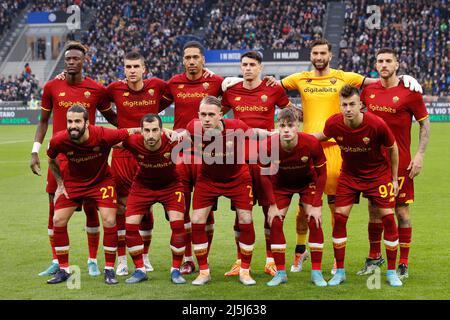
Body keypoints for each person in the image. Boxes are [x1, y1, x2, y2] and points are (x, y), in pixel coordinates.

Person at [270, 38, 422, 274]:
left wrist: (404, 79)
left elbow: (379, 78)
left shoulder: (345, 77)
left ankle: (335, 259)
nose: (319, 57)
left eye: (323, 53)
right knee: (304, 206)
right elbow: (272, 87)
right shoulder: (299, 78)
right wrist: (289, 107)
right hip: (308, 149)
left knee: (337, 208)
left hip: (338, 151)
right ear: (311, 56)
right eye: (315, 53)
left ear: (330, 55)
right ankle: (301, 251)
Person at [30, 41, 118, 278]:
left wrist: (138, 131)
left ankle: (92, 260)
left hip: (86, 158)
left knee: (91, 208)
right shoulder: (51, 86)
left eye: (75, 59)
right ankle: (57, 261)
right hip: (58, 159)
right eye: (67, 59)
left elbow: (112, 117)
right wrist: (35, 150)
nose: (70, 62)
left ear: (83, 61)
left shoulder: (96, 90)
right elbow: (43, 121)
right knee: (54, 208)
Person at [173, 96, 273, 286]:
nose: (207, 119)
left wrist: (272, 134)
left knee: (246, 219)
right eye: (203, 114)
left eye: (211, 114)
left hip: (237, 178)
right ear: (198, 115)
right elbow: (184, 135)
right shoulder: (193, 127)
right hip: (208, 179)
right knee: (197, 220)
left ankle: (244, 270)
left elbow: (255, 133)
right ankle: (204, 272)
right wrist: (179, 135)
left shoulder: (237, 126)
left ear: (221, 115)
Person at [315, 85, 403, 287]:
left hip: (378, 176)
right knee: (339, 218)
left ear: (360, 105)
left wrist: (394, 178)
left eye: (352, 104)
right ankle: (340, 271)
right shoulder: (334, 123)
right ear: (340, 106)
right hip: (350, 176)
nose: (348, 109)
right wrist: (296, 137)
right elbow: (321, 136)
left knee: (389, 219)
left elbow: (393, 148)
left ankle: (391, 272)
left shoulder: (376, 124)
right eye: (344, 105)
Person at [357, 48, 430, 279]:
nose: (384, 64)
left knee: (401, 210)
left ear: (397, 64)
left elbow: (425, 125)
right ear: (376, 65)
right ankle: (374, 256)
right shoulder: (368, 91)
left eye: (389, 61)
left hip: (402, 163)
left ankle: (404, 263)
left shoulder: (410, 92)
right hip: (373, 163)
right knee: (374, 210)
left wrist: (420, 155)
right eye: (380, 61)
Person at [45, 105, 138, 285]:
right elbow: (51, 158)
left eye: (78, 121)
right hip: (74, 183)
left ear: (87, 123)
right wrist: (60, 183)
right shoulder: (60, 140)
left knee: (110, 221)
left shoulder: (103, 134)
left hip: (101, 182)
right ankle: (64, 270)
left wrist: (163, 131)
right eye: (70, 121)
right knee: (58, 220)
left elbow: (131, 131)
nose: (73, 125)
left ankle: (109, 269)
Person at [220, 50, 292, 277]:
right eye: (244, 65)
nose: (248, 68)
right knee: (241, 213)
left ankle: (270, 260)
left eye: (252, 64)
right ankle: (240, 260)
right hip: (239, 160)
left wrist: (279, 133)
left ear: (260, 67)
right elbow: (214, 115)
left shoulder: (273, 89)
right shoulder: (231, 91)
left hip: (267, 158)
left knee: (270, 209)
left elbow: (291, 114)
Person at [161, 41, 224, 275]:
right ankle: (187, 258)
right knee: (181, 208)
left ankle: (203, 257)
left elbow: (237, 92)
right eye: (187, 57)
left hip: (209, 151)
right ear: (183, 60)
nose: (191, 61)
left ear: (203, 59)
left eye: (195, 57)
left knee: (207, 211)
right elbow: (152, 101)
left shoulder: (216, 82)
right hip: (182, 151)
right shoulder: (173, 83)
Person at [106, 51, 170, 276]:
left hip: (148, 153)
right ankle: (122, 259)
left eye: (136, 66)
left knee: (146, 206)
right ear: (124, 70)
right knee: (122, 207)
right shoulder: (114, 89)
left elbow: (177, 93)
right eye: (128, 67)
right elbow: (101, 104)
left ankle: (144, 256)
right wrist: (121, 127)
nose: (132, 70)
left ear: (144, 69)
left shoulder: (157, 85)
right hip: (123, 155)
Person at [263, 108, 328, 287]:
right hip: (280, 185)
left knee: (314, 220)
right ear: (277, 126)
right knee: (275, 220)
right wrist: (272, 204)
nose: (286, 130)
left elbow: (322, 174)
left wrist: (317, 204)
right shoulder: (269, 144)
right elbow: (264, 175)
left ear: (297, 126)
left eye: (290, 125)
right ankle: (281, 273)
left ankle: (316, 272)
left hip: (308, 183)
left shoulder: (311, 143)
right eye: (282, 125)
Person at [120, 114, 187, 284]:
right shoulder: (133, 141)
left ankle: (175, 270)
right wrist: (132, 130)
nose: (151, 135)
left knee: (178, 224)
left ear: (161, 130)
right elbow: (107, 139)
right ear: (141, 131)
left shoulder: (173, 140)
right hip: (142, 186)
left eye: (155, 130)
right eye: (147, 131)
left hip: (171, 186)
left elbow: (196, 136)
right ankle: (140, 270)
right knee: (129, 226)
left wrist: (182, 133)